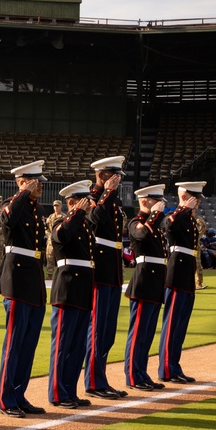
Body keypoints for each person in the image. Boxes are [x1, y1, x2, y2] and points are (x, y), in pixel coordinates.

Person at [0, 159, 48, 418]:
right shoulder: (12, 205)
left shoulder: (36, 210)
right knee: (14, 343)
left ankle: (19, 394)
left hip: (33, 280)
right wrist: (23, 192)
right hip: (16, 280)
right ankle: (6, 399)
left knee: (28, 344)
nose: (39, 187)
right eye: (35, 183)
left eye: (39, 183)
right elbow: (8, 221)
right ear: (22, 182)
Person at [47, 180, 96, 409]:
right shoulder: (60, 221)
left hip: (83, 288)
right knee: (62, 344)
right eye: (84, 201)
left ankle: (70, 390)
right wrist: (76, 213)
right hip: (66, 288)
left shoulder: (85, 226)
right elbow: (63, 237)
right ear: (71, 202)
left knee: (77, 346)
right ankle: (57, 392)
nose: (89, 205)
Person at [83, 156, 128, 400]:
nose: (118, 179)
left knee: (108, 330)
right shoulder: (91, 196)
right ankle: (93, 381)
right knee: (98, 329)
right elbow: (95, 218)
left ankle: (101, 378)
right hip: (100, 268)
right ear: (102, 175)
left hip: (112, 269)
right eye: (113, 174)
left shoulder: (114, 199)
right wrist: (106, 191)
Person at [158, 180, 204, 385]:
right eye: (196, 197)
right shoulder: (177, 215)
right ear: (185, 197)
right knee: (172, 324)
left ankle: (174, 366)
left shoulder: (191, 219)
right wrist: (184, 209)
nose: (199, 202)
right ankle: (167, 368)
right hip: (176, 272)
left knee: (181, 324)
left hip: (187, 271)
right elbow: (169, 224)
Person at [123, 184, 168, 391]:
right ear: (144, 201)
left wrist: (156, 217)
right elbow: (140, 236)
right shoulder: (136, 222)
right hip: (143, 281)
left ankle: (142, 372)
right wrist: (154, 216)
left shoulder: (155, 227)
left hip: (155, 282)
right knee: (138, 333)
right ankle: (133, 375)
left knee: (148, 333)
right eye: (155, 201)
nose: (159, 205)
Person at [45, 198, 65, 279]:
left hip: (59, 241)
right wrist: (49, 234)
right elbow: (46, 228)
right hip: (50, 241)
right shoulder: (50, 217)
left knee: (60, 257)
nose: (56, 207)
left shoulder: (64, 217)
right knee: (49, 257)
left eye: (57, 206)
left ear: (61, 206)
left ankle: (60, 275)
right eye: (54, 206)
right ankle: (49, 274)